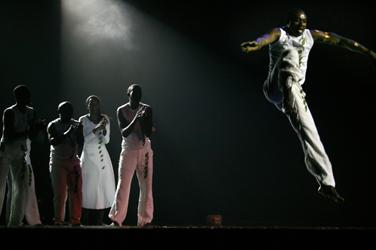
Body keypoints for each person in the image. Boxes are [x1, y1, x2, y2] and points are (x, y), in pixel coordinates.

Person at [240, 9, 376, 203]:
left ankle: (327, 183)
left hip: (295, 92)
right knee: (289, 52)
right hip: (275, 87)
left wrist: (368, 52)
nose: (301, 26)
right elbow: (267, 37)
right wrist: (257, 44)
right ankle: (288, 94)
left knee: (309, 132)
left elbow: (340, 40)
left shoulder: (311, 35)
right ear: (289, 22)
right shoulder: (281, 33)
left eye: (304, 22)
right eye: (297, 22)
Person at [109, 84, 154, 227]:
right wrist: (136, 118)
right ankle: (116, 219)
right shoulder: (121, 110)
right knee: (123, 184)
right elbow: (124, 132)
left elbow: (148, 132)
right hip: (128, 150)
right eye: (134, 93)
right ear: (128, 94)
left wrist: (144, 120)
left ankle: (145, 220)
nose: (137, 95)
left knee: (146, 186)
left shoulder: (147, 109)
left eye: (139, 93)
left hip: (144, 150)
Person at [0, 84, 42, 226]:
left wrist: (38, 129)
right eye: (23, 96)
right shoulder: (9, 112)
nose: (27, 98)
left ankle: (14, 222)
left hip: (20, 152)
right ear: (17, 97)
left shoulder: (31, 112)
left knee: (20, 187)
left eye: (27, 95)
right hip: (6, 151)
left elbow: (33, 134)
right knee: (1, 186)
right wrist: (30, 132)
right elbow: (9, 136)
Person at [79, 95, 115, 226]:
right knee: (88, 188)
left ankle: (99, 221)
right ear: (87, 105)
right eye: (90, 103)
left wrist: (104, 130)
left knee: (102, 187)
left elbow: (107, 140)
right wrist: (97, 128)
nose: (93, 106)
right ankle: (85, 221)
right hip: (89, 156)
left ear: (99, 105)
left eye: (95, 104)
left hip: (102, 155)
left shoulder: (105, 119)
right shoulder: (82, 120)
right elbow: (84, 140)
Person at [47, 101, 84, 225]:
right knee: (60, 194)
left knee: (76, 192)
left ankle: (75, 220)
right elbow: (54, 141)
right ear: (59, 112)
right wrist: (68, 132)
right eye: (65, 112)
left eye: (70, 112)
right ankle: (59, 220)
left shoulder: (77, 124)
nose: (68, 114)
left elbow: (81, 141)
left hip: (73, 161)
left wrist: (79, 134)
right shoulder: (53, 125)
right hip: (58, 162)